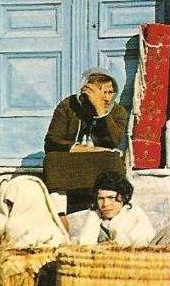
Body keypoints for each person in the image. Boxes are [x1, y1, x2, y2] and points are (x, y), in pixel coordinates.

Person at [43, 68, 128, 213]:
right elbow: (52, 141)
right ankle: (59, 214)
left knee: (113, 161)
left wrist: (100, 110)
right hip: (71, 161)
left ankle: (110, 212)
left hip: (100, 162)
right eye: (99, 92)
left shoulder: (117, 111)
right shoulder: (68, 106)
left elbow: (111, 143)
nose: (106, 97)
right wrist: (85, 149)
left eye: (109, 92)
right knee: (52, 160)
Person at [0, 175, 69, 272]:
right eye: (7, 203)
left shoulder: (53, 233)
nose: (8, 208)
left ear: (29, 201)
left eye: (12, 204)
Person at [78, 170, 155, 247]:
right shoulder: (95, 216)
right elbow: (84, 244)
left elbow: (139, 244)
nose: (105, 204)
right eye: (101, 198)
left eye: (111, 197)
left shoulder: (135, 217)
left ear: (124, 197)